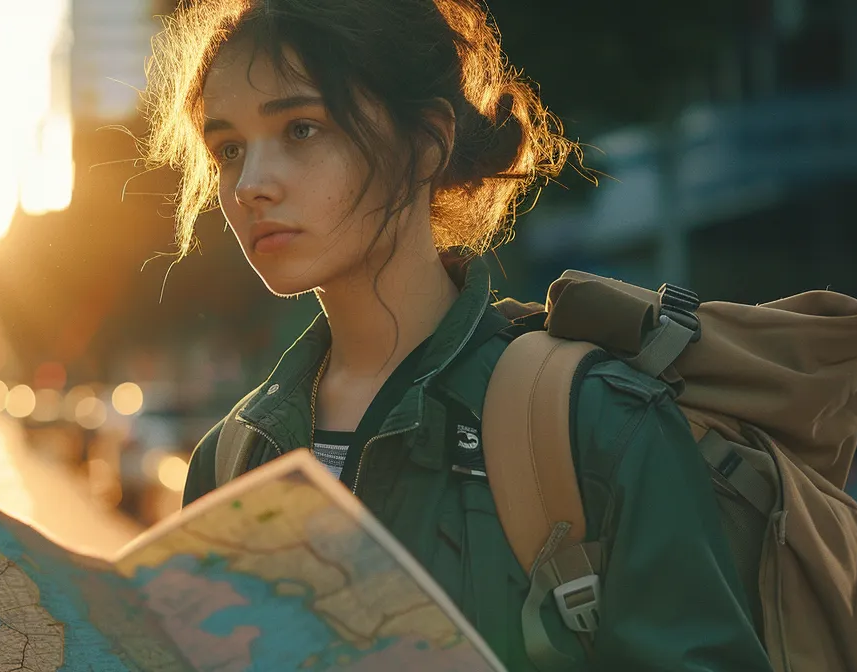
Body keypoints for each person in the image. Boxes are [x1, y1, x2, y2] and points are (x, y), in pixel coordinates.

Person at [144, 0, 772, 669]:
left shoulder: (596, 427)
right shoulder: (231, 459)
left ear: (426, 143)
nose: (250, 186)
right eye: (229, 149)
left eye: (301, 129)